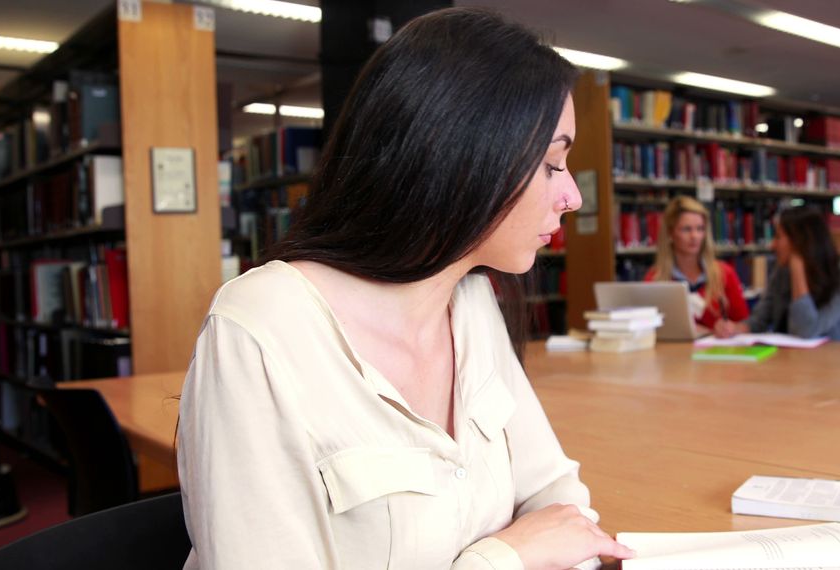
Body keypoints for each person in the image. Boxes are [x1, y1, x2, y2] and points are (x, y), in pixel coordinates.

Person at [176, 8, 635, 570]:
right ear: (464, 155)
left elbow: (557, 501)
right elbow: (533, 542)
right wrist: (503, 559)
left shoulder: (470, 304)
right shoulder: (260, 330)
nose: (573, 197)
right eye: (551, 163)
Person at [715, 206, 840, 341]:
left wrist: (798, 267)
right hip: (795, 361)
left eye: (778, 237)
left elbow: (806, 330)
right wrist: (735, 328)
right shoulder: (782, 271)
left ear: (800, 241)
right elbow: (759, 320)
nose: (772, 246)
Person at [644, 196, 749, 332]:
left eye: (700, 229)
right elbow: (645, 328)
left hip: (716, 351)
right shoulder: (655, 279)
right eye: (686, 229)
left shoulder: (724, 274)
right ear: (670, 233)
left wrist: (732, 328)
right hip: (673, 352)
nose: (695, 236)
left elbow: (745, 324)